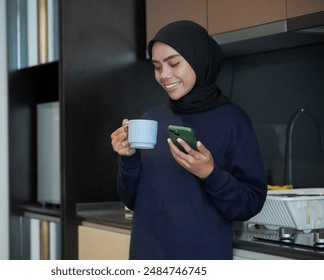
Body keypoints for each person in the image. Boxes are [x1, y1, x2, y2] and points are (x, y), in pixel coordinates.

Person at [110, 20, 267, 260]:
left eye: (174, 63)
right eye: (157, 66)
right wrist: (127, 158)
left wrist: (210, 173)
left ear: (199, 59)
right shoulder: (152, 120)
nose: (164, 75)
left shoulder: (232, 120)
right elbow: (132, 199)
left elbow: (250, 204)